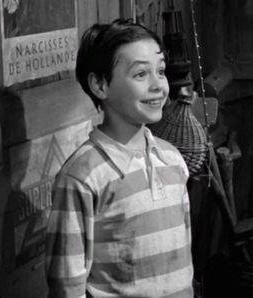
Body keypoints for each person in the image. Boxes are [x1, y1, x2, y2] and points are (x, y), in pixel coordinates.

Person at [45, 19, 193, 297]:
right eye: (141, 74)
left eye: (160, 71)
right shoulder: (82, 176)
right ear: (100, 85)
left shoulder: (172, 159)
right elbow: (67, 285)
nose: (158, 86)